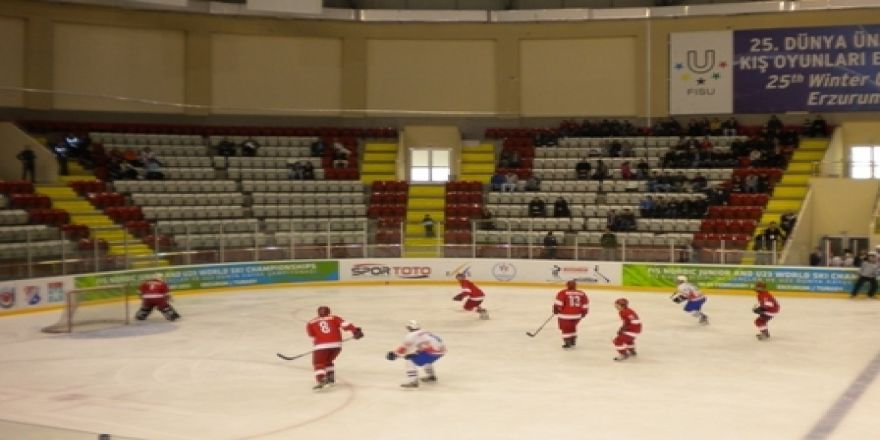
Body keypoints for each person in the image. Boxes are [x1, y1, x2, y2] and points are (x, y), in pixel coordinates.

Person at [306, 306, 364, 390]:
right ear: (329, 312)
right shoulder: (334, 318)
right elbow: (346, 325)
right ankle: (330, 378)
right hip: (337, 345)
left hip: (321, 346)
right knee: (328, 361)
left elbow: (311, 334)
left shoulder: (311, 322)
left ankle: (321, 379)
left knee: (318, 363)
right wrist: (355, 331)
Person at [386, 320, 446, 388]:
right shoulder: (426, 331)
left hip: (431, 352)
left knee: (410, 361)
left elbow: (403, 348)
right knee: (425, 359)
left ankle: (413, 381)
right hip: (442, 351)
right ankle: (431, 376)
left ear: (408, 328)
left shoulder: (410, 336)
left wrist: (394, 354)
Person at [553, 280, 589, 349]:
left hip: (565, 315)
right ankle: (573, 340)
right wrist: (584, 312)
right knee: (572, 327)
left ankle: (567, 342)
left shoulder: (563, 292)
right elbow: (585, 304)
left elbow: (558, 304)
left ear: (567, 285)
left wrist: (556, 310)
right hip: (577, 315)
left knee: (565, 328)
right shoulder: (581, 293)